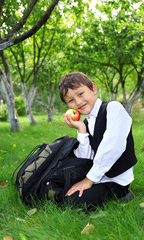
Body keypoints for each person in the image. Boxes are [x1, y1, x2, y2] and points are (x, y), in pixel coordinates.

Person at [58, 72, 137, 208]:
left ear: (93, 89)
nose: (78, 102)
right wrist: (81, 129)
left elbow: (113, 147)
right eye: (71, 100)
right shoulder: (86, 122)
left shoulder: (113, 108)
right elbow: (86, 159)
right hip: (97, 176)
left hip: (115, 179)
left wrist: (88, 180)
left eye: (80, 94)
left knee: (73, 202)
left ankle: (124, 194)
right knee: (62, 190)